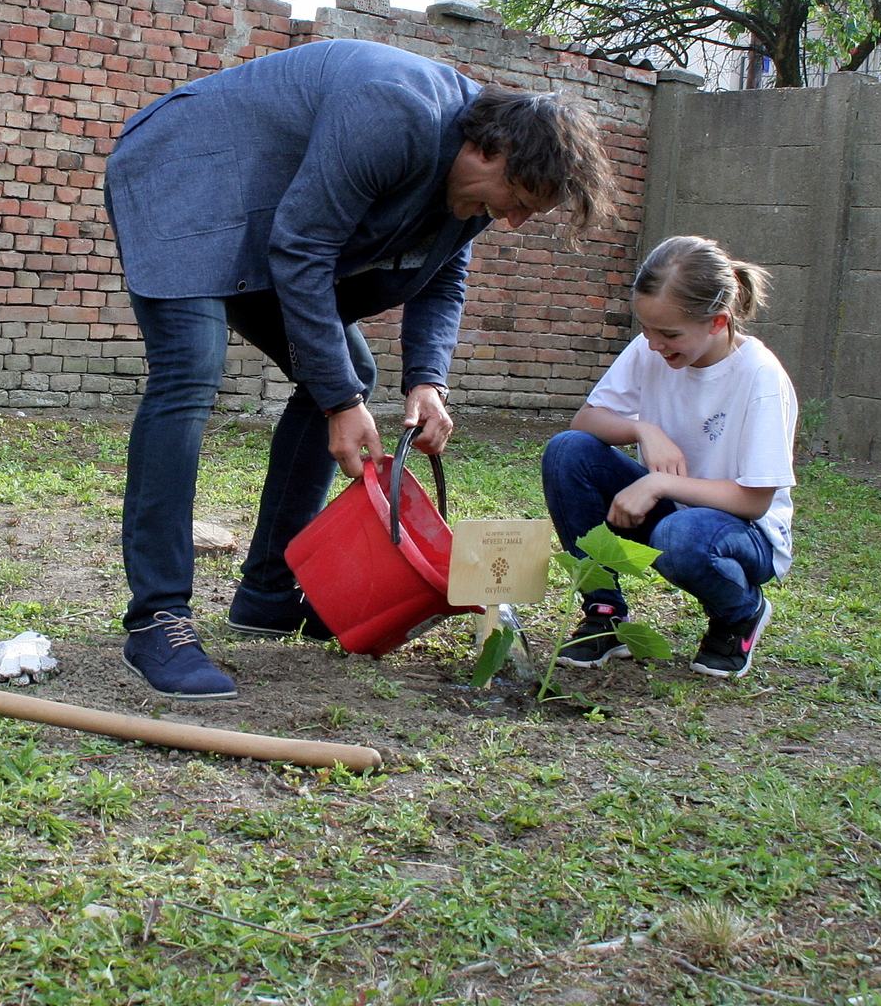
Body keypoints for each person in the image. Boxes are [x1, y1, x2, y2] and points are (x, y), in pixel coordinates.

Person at [104, 38, 615, 699]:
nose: (514, 221)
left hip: (264, 205)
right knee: (191, 370)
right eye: (517, 198)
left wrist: (427, 379)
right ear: (491, 150)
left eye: (527, 212)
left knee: (350, 369)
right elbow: (303, 249)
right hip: (184, 167)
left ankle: (268, 591)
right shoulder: (394, 114)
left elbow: (443, 272)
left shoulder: (476, 179)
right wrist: (340, 403)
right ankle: (157, 619)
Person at [541, 235, 798, 681]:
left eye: (669, 334)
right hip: (671, 515)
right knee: (567, 451)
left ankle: (741, 613)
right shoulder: (651, 348)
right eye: (646, 328)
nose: (654, 343)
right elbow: (587, 420)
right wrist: (644, 429)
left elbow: (755, 500)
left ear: (718, 322)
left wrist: (659, 482)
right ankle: (604, 613)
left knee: (679, 534)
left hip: (745, 534)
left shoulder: (759, 376)